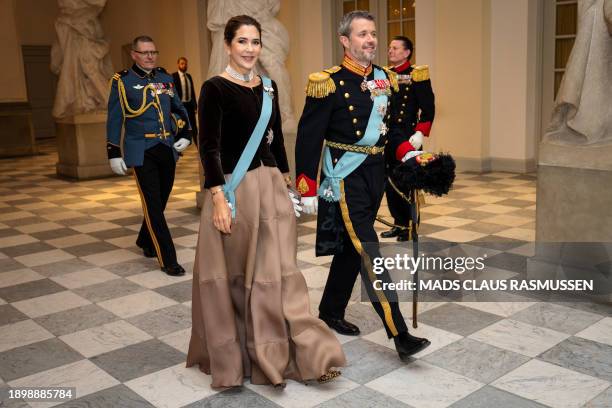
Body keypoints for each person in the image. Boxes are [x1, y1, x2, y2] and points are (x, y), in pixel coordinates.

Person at [187, 15, 345, 389]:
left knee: (280, 275)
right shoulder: (214, 88)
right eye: (242, 42)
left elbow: (274, 145)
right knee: (238, 278)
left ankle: (304, 353)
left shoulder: (269, 88)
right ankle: (239, 357)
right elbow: (208, 148)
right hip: (232, 191)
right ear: (228, 45)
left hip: (271, 189)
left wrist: (289, 186)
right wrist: (218, 199)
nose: (249, 49)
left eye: (255, 42)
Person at [295, 11, 431, 361]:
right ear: (345, 41)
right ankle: (399, 333)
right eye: (362, 34)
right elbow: (309, 139)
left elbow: (393, 131)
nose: (370, 40)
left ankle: (330, 310)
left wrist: (408, 155)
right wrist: (307, 188)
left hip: (375, 175)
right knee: (369, 248)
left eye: (373, 34)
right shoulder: (328, 81)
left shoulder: (386, 78)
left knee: (351, 248)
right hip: (344, 177)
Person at [106, 35, 192, 277]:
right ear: (134, 54)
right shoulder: (122, 81)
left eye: (153, 52)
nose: (150, 56)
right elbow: (114, 118)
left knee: (161, 200)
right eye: (144, 53)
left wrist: (186, 132)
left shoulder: (165, 78)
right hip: (140, 151)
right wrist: (113, 151)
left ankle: (145, 238)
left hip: (166, 146)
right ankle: (168, 258)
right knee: (153, 205)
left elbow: (178, 107)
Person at [380, 36, 435, 241]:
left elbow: (428, 108)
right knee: (390, 181)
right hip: (386, 135)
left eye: (395, 48)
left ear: (407, 52)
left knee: (406, 182)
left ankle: (411, 226)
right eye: (389, 47)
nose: (390, 51)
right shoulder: (384, 75)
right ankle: (398, 223)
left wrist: (420, 132)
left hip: (407, 136)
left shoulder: (417, 75)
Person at [172, 57, 198, 145]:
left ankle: (198, 146)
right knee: (179, 126)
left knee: (194, 127)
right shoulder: (173, 76)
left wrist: (195, 105)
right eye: (182, 63)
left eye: (185, 63)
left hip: (189, 105)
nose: (184, 65)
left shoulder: (189, 76)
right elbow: (171, 93)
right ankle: (178, 148)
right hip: (179, 106)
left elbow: (192, 92)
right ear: (178, 65)